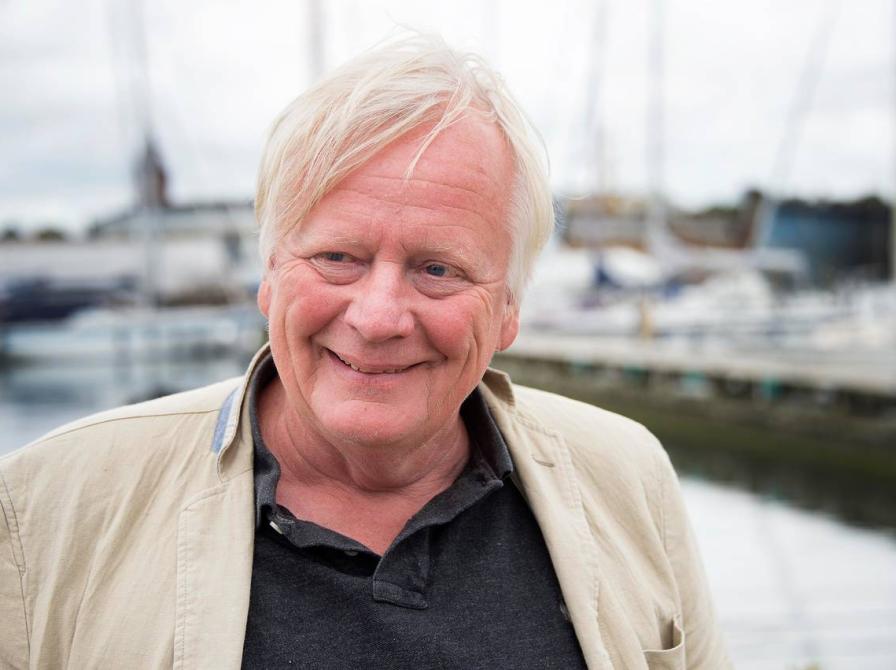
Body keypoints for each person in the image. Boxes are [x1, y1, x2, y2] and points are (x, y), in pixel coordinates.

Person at [0, 35, 731, 669]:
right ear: (269, 277)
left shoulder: (626, 477)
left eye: (437, 269)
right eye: (338, 257)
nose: (378, 318)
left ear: (509, 308)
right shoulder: (46, 507)